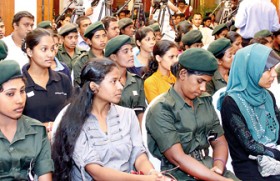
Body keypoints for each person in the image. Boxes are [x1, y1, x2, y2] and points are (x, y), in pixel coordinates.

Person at [52, 59, 168, 181]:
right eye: (113, 81)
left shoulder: (128, 115)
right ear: (93, 87)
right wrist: (145, 179)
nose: (120, 86)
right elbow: (96, 172)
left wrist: (151, 173)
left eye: (119, 80)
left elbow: (138, 155)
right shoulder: (75, 120)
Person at [146, 48, 239, 180]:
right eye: (200, 81)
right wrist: (219, 179)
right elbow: (178, 158)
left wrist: (218, 167)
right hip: (180, 174)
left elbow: (219, 141)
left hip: (209, 166)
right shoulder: (162, 108)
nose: (203, 88)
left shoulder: (204, 101)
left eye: (207, 82)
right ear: (183, 74)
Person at [219, 43, 280, 180]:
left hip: (274, 156)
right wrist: (276, 154)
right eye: (268, 70)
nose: (274, 74)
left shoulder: (266, 96)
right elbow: (249, 145)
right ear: (251, 70)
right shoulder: (231, 103)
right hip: (250, 165)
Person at [0, 60, 53, 180]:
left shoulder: (37, 131)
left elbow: (45, 176)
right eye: (10, 94)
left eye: (22, 91)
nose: (20, 100)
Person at [22, 28, 72, 138]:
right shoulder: (20, 84)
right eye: (44, 49)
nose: (50, 54)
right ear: (30, 52)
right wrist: (44, 127)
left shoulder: (63, 80)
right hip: (31, 145)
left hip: (61, 144)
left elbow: (72, 114)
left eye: (53, 49)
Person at [105, 35, 147, 124]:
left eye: (131, 50)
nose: (131, 54)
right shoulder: (105, 82)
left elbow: (140, 112)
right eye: (126, 51)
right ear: (113, 57)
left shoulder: (137, 81)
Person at [73, 21, 107, 86]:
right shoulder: (82, 61)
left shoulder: (110, 57)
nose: (102, 39)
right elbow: (78, 87)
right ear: (89, 41)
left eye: (104, 36)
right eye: (97, 37)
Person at [144, 40, 178, 104]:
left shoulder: (177, 77)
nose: (175, 60)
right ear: (158, 58)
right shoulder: (151, 82)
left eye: (176, 56)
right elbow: (157, 109)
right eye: (171, 57)